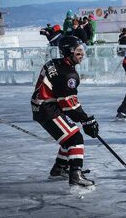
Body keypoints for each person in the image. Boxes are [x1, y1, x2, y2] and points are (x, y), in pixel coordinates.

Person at [31, 36, 98, 187]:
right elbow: (68, 105)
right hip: (47, 108)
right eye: (79, 52)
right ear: (69, 52)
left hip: (44, 105)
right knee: (75, 139)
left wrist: (84, 119)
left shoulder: (55, 63)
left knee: (68, 137)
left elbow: (64, 100)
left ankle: (59, 168)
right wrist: (86, 119)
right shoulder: (68, 74)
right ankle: (75, 175)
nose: (83, 55)